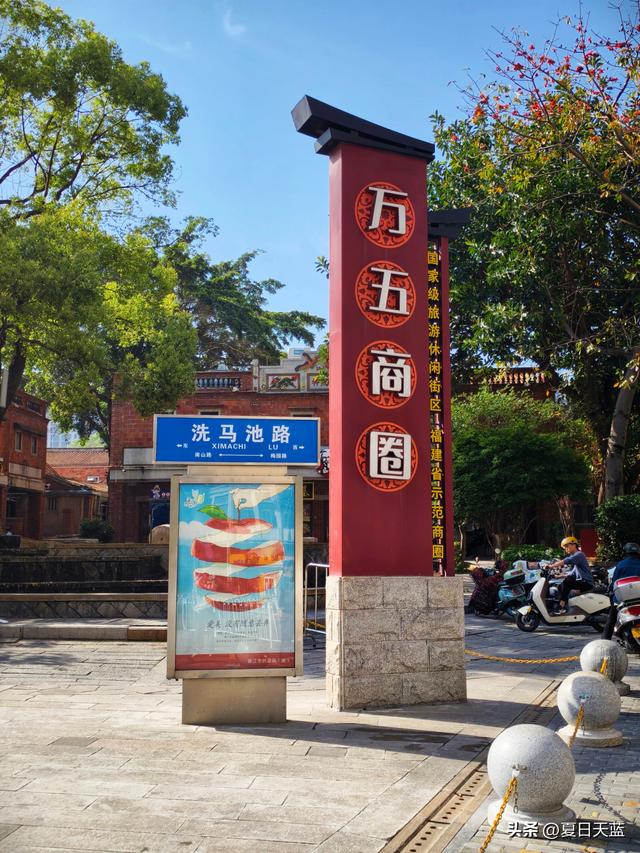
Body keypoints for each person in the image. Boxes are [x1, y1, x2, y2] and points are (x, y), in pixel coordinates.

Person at [602, 542, 640, 640]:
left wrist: (610, 591)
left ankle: (604, 642)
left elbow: (614, 583)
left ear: (625, 552)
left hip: (622, 600)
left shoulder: (620, 565)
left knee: (611, 620)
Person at [548, 536, 594, 614]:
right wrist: (558, 576)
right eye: (565, 547)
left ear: (574, 545)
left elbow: (567, 560)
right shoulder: (577, 560)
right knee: (560, 585)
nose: (566, 549)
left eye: (567, 546)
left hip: (586, 583)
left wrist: (551, 566)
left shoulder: (579, 555)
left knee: (567, 582)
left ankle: (561, 606)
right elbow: (572, 574)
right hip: (582, 582)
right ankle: (564, 606)